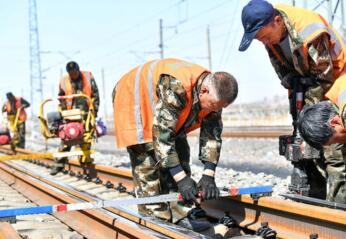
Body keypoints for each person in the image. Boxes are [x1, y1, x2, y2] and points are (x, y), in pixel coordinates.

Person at [113, 58, 238, 232]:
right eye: (214, 106)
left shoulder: (216, 95)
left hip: (164, 112)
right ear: (203, 91)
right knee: (148, 162)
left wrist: (208, 175)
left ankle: (181, 213)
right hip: (134, 100)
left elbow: (212, 135)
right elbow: (162, 137)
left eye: (219, 108)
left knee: (180, 151)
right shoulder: (176, 86)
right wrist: (182, 180)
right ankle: (154, 218)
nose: (215, 111)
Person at [238, 0, 346, 203]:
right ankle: (315, 201)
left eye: (264, 37)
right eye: (260, 40)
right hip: (305, 90)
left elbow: (324, 77)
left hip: (335, 85)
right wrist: (298, 119)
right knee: (305, 147)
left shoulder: (309, 31)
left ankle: (340, 209)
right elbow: (286, 75)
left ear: (277, 21)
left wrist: (306, 117)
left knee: (334, 153)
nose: (264, 43)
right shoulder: (270, 34)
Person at [50, 61, 100, 175]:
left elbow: (95, 95)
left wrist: (94, 113)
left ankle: (86, 164)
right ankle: (58, 165)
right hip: (70, 114)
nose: (73, 75)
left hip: (86, 114)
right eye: (71, 73)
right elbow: (61, 97)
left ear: (78, 70)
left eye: (74, 72)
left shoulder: (87, 77)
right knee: (67, 139)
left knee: (86, 139)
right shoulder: (64, 81)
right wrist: (63, 113)